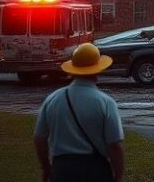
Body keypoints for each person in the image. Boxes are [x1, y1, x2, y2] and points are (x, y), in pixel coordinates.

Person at [33, 43, 125, 182]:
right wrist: (118, 176)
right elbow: (114, 145)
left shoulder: (53, 99)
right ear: (97, 70)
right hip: (95, 169)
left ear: (73, 70)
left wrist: (46, 168)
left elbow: (39, 138)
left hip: (62, 169)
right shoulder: (106, 102)